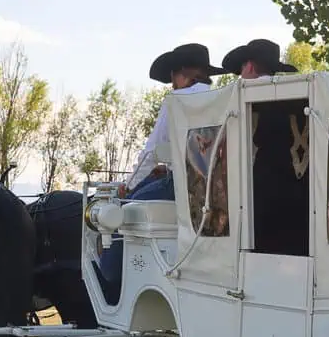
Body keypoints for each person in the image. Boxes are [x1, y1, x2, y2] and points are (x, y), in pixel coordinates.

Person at [97, 43, 225, 303]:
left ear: (181, 73)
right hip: (218, 191)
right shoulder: (221, 99)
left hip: (181, 187)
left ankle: (110, 277)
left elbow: (150, 152)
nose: (171, 82)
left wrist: (128, 186)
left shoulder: (177, 101)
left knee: (125, 210)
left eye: (173, 75)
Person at [222, 39, 308, 255]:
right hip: (302, 193)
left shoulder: (241, 99)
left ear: (249, 66)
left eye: (242, 69)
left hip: (262, 191)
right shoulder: (301, 96)